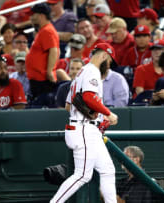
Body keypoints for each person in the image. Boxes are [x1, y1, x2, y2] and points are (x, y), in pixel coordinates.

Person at [50, 43, 119, 203]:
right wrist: (108, 113)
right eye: (108, 61)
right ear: (103, 56)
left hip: (85, 128)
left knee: (108, 170)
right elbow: (88, 97)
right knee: (82, 175)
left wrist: (96, 117)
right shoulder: (92, 71)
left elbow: (68, 105)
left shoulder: (81, 73)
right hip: (83, 129)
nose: (108, 65)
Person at [25, 3, 60, 100]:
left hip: (42, 79)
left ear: (41, 15)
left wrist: (49, 71)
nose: (31, 17)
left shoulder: (47, 30)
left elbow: (54, 50)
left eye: (33, 15)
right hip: (38, 79)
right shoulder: (43, 30)